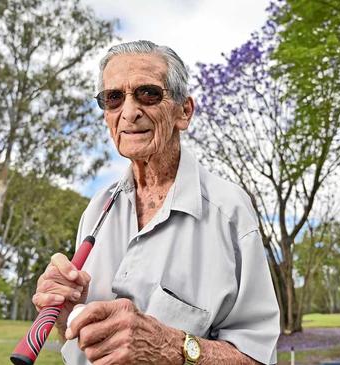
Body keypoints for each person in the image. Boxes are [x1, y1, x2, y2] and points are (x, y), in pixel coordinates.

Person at [32, 40, 280, 365]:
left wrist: (170, 347)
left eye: (148, 94)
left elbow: (259, 359)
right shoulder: (97, 210)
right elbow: (84, 349)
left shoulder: (228, 210)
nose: (130, 112)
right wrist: (66, 318)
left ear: (184, 111)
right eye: (114, 98)